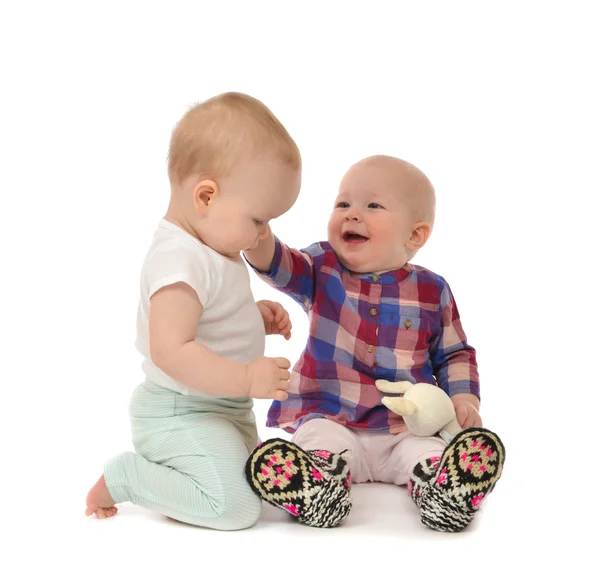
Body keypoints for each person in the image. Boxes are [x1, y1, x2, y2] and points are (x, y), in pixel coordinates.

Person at [244, 155, 505, 532]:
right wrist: (258, 230)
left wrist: (465, 399)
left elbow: (454, 353)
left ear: (415, 235)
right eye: (343, 203)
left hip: (404, 426)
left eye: (373, 205)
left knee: (429, 452)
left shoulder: (433, 289)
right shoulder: (322, 267)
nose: (351, 214)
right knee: (319, 440)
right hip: (333, 416)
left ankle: (444, 491)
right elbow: (277, 264)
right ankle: (318, 488)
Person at [85, 92, 301, 530]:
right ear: (206, 196)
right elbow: (172, 350)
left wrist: (250, 316)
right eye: (259, 220)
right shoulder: (177, 259)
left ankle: (187, 476)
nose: (264, 234)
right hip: (179, 412)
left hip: (224, 409)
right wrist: (246, 377)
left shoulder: (212, 244)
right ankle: (128, 476)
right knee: (235, 508)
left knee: (261, 484)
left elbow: (207, 316)